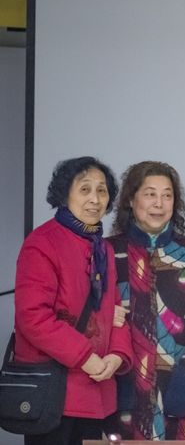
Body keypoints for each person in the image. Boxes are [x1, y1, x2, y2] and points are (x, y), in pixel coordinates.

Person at [13, 156, 133, 445]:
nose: (95, 199)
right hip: (55, 394)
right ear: (64, 194)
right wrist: (85, 357)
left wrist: (118, 355)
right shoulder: (43, 242)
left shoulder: (102, 248)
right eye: (85, 189)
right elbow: (33, 317)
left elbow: (116, 311)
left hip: (97, 390)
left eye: (102, 191)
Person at [106, 161, 185, 440]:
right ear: (131, 200)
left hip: (178, 393)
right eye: (150, 194)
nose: (159, 204)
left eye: (167, 195)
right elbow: (87, 314)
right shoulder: (107, 253)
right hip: (119, 392)